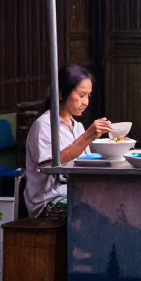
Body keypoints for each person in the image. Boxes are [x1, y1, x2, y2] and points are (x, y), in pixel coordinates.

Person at [25, 64, 112, 219]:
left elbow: (84, 163)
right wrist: (87, 137)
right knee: (99, 213)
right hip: (49, 202)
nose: (86, 102)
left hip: (74, 193)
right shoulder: (45, 125)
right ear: (62, 93)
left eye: (88, 96)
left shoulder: (77, 127)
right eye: (81, 95)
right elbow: (51, 165)